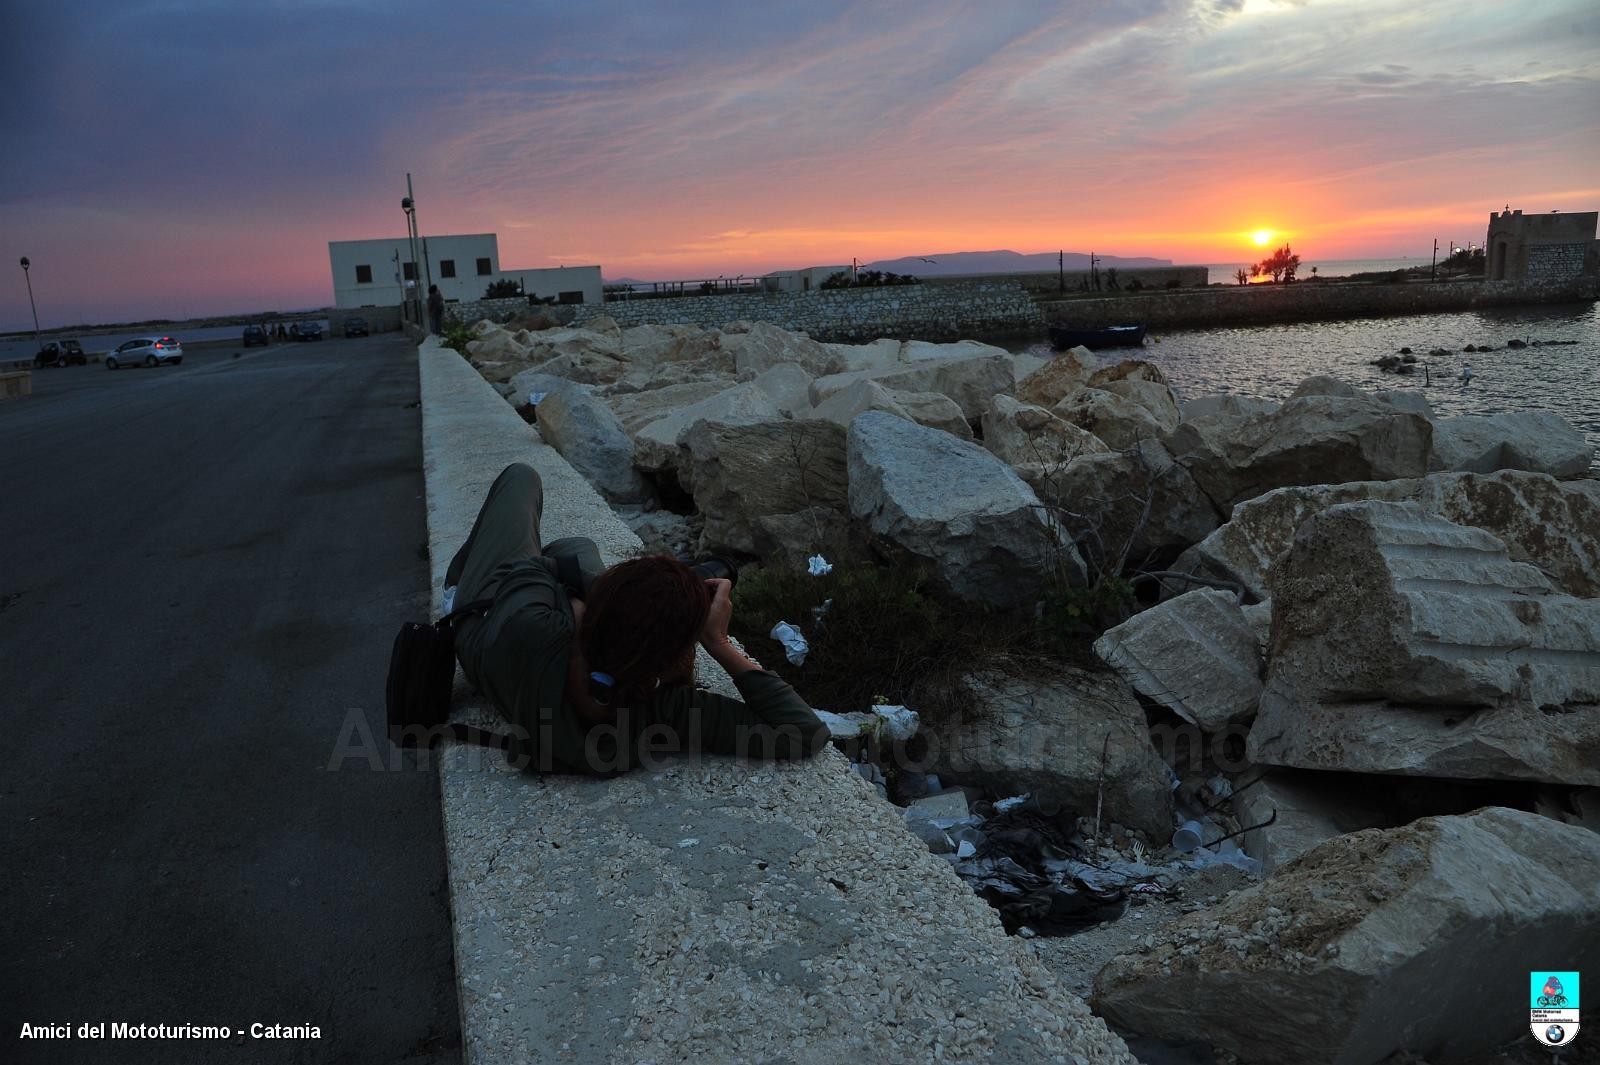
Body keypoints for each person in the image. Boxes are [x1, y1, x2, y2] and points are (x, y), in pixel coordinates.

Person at [444, 463, 828, 773]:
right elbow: (803, 733)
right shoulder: (659, 710)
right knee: (579, 547)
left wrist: (611, 591)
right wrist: (719, 642)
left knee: (523, 480)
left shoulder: (535, 625)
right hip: (544, 641)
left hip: (486, 622)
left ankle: (455, 584)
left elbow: (530, 571)